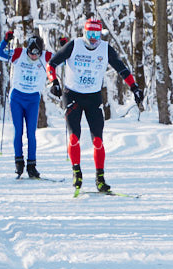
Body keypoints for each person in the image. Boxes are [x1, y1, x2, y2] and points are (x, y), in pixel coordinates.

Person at [48, 18, 144, 193]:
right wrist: (54, 82)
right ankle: (76, 172)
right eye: (90, 34)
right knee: (73, 138)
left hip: (93, 98)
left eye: (96, 35)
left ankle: (100, 178)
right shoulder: (74, 45)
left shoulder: (105, 49)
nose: (93, 39)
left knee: (98, 140)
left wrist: (134, 88)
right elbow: (51, 64)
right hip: (72, 96)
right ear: (85, 33)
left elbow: (122, 69)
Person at [0, 29, 53, 178]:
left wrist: (64, 45)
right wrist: (5, 41)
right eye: (31, 53)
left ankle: (32, 166)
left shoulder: (46, 57)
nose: (33, 56)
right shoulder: (19, 53)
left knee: (31, 133)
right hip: (17, 98)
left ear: (41, 51)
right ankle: (19, 163)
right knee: (18, 131)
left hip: (33, 99)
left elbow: (64, 59)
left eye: (36, 54)